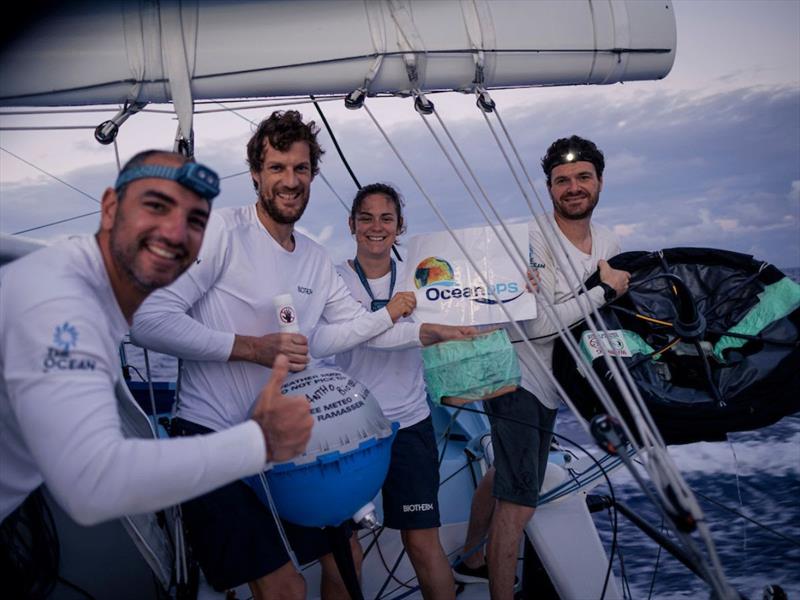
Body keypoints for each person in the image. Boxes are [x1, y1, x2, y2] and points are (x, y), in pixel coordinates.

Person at [131, 111, 473, 599]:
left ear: (313, 174)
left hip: (283, 443)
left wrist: (413, 323)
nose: (289, 181)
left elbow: (337, 336)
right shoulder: (219, 235)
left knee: (346, 557)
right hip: (216, 439)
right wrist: (253, 348)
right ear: (255, 173)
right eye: (277, 168)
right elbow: (146, 320)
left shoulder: (313, 257)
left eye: (300, 169)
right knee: (284, 586)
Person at [0, 150, 314, 597]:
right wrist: (259, 442)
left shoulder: (90, 287)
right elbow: (93, 485)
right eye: (156, 206)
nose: (175, 232)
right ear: (110, 208)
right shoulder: (61, 302)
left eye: (195, 220)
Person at [454, 136, 631, 598]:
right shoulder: (534, 237)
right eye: (562, 180)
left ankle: (472, 557)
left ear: (600, 182)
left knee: (508, 471)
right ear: (549, 188)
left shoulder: (610, 241)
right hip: (516, 376)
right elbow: (538, 323)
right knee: (520, 500)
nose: (573, 187)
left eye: (583, 177)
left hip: (555, 382)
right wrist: (604, 291)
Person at [334, 183, 457, 599]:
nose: (376, 227)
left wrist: (516, 290)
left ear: (400, 226)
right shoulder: (335, 280)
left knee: (423, 544)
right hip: (351, 431)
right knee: (344, 550)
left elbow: (475, 300)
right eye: (366, 217)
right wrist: (417, 327)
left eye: (386, 218)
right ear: (351, 224)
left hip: (411, 427)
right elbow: (360, 338)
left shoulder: (421, 275)